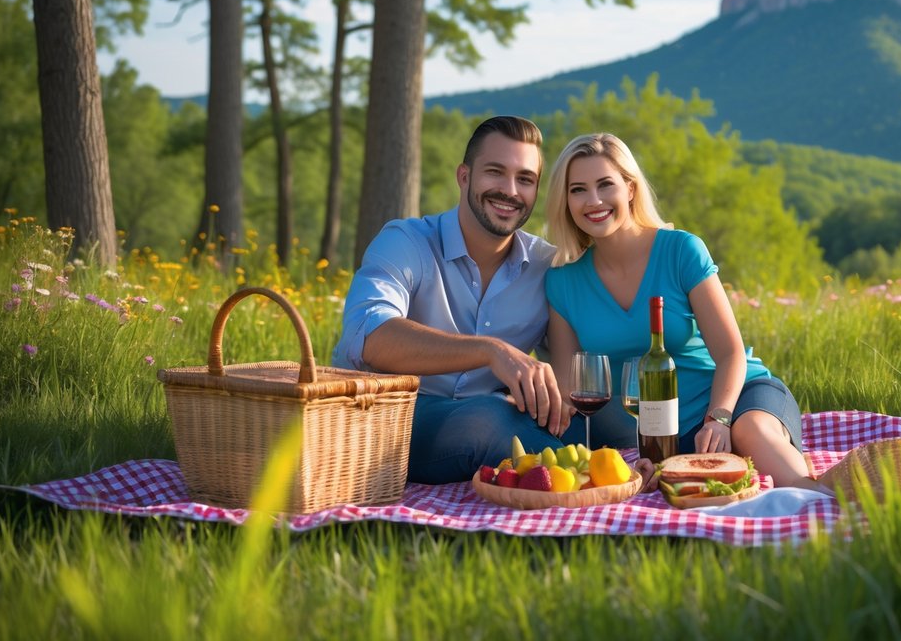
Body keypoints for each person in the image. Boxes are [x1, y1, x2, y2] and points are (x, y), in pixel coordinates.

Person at [543, 132, 826, 491]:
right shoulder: (562, 281)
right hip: (657, 434)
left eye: (605, 184)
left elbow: (730, 353)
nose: (594, 200)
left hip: (734, 400)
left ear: (629, 188)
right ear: (565, 201)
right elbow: (572, 389)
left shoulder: (681, 251)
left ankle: (844, 511)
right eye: (578, 189)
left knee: (751, 434)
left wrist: (719, 420)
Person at [332, 116, 567, 484]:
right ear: (463, 176)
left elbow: (575, 366)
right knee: (489, 419)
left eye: (525, 179)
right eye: (495, 172)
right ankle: (575, 472)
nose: (510, 190)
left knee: (599, 413)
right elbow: (368, 337)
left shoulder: (545, 266)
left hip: (490, 419)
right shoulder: (405, 241)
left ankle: (632, 464)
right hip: (382, 425)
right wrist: (492, 351)